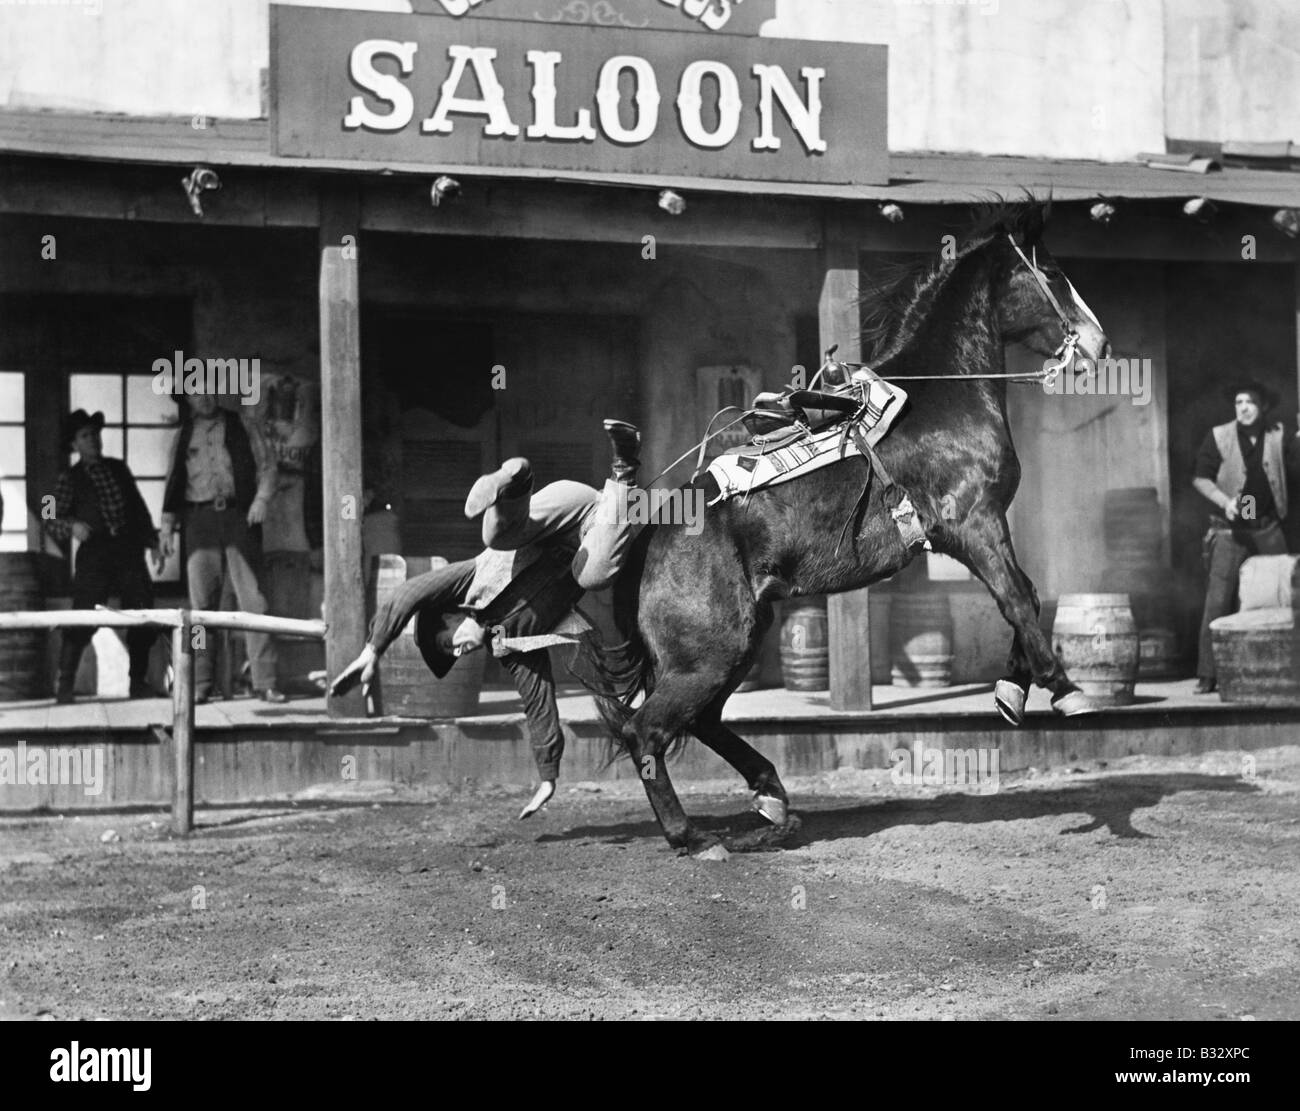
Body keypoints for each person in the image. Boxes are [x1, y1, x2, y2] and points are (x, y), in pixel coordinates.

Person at [330, 420, 641, 819]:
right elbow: (539, 705)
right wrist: (548, 777)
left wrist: (373, 649)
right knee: (592, 575)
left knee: (497, 542)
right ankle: (625, 465)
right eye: (455, 652)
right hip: (595, 532)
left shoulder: (467, 581)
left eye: (451, 640)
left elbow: (408, 593)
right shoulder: (512, 647)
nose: (460, 648)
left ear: (454, 616)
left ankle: (515, 477)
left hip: (564, 507)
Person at [160, 391, 286, 703]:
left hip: (239, 517)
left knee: (254, 602)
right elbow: (173, 483)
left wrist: (261, 500)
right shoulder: (183, 435)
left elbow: (268, 467)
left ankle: (265, 681)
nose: (203, 398)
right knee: (201, 608)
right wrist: (166, 528)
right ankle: (201, 682)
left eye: (207, 391)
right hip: (198, 521)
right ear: (187, 399)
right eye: (195, 393)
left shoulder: (244, 424)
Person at [47, 409, 165, 702]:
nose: (94, 440)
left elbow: (138, 507)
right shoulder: (67, 478)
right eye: (86, 436)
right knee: (82, 616)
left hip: (128, 550)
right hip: (94, 555)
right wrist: (71, 525)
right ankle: (64, 686)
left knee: (141, 612)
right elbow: (47, 514)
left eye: (96, 434)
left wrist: (152, 542)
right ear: (74, 444)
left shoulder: (119, 468)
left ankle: (137, 682)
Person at [1192, 378, 1300, 693]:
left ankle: (1282, 669)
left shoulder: (1278, 435)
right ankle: (1207, 674)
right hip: (1232, 526)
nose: (1243, 408)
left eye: (1250, 402)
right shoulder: (1220, 436)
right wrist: (1225, 502)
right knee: (1218, 599)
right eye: (1239, 403)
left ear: (1263, 406)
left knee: (1281, 597)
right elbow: (1201, 478)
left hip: (1264, 522)